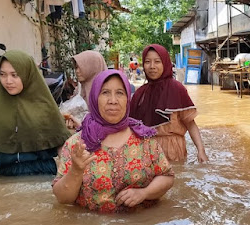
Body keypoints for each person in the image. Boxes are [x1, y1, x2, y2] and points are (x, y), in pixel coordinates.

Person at [52, 69, 174, 213]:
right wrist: (76, 171)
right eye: (105, 93)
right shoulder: (77, 144)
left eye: (120, 93)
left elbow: (167, 176)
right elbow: (63, 199)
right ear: (95, 97)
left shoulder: (144, 138)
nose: (113, 101)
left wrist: (144, 193)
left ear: (128, 98)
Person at [0, 50, 71, 176]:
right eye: (3, 74)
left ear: (27, 74)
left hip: (41, 173)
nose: (8, 81)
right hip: (4, 175)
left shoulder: (45, 106)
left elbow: (61, 145)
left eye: (14, 75)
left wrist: (70, 173)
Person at [130, 44, 208, 163]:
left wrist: (201, 150)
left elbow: (190, 123)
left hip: (173, 151)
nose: (152, 66)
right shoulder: (140, 93)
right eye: (147, 62)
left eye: (157, 61)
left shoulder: (176, 89)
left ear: (165, 63)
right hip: (146, 152)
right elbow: (131, 128)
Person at [64, 50, 108, 129]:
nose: (77, 71)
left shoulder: (105, 94)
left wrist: (82, 127)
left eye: (81, 67)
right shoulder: (84, 89)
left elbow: (105, 129)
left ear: (92, 67)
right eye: (76, 67)